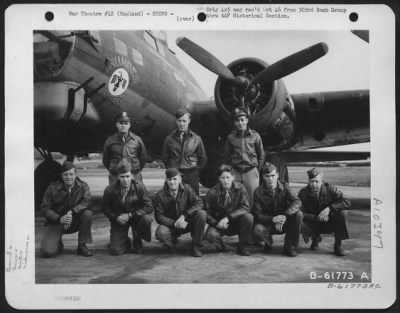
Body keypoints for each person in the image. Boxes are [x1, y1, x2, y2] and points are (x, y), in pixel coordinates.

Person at [40, 161, 93, 257]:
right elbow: (44, 207)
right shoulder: (52, 188)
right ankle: (58, 243)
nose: (69, 177)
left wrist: (72, 212)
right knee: (47, 252)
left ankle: (82, 245)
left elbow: (87, 202)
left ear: (76, 174)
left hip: (74, 220)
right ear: (61, 175)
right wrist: (59, 218)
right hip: (56, 222)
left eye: (71, 174)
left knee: (87, 214)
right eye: (65, 174)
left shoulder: (83, 186)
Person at [102, 159, 153, 255]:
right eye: (122, 177)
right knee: (115, 251)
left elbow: (149, 207)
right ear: (117, 177)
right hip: (119, 220)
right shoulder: (109, 190)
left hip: (136, 218)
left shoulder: (139, 187)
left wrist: (130, 215)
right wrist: (115, 217)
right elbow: (105, 208)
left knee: (146, 219)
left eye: (127, 176)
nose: (125, 180)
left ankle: (138, 238)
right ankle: (125, 239)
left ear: (132, 176)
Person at [252, 162, 303, 257]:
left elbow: (297, 201)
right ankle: (268, 242)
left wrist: (285, 215)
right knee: (257, 229)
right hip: (269, 223)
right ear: (263, 177)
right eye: (267, 176)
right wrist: (273, 219)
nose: (270, 179)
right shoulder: (258, 192)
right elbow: (258, 216)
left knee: (298, 214)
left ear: (277, 175)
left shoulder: (285, 186)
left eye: (273, 175)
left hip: (284, 221)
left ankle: (290, 247)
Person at [154, 168, 206, 257]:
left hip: (187, 223)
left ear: (180, 179)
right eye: (169, 179)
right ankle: (171, 241)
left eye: (175, 179)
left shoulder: (187, 189)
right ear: (166, 180)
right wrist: (175, 223)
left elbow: (199, 203)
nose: (172, 182)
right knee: (161, 233)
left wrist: (184, 216)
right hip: (171, 225)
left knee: (201, 214)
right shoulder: (159, 195)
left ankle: (196, 246)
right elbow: (159, 217)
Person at [298, 168, 350, 256]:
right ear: (308, 181)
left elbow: (346, 202)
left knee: (342, 213)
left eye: (317, 181)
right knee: (297, 217)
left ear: (321, 181)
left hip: (328, 222)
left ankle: (338, 245)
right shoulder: (303, 193)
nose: (314, 184)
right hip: (313, 222)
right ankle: (315, 238)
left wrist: (329, 209)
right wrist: (315, 218)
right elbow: (299, 211)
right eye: (311, 181)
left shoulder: (331, 189)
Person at [204, 164, 254, 256]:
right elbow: (207, 213)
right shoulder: (212, 192)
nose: (226, 180)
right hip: (220, 224)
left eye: (228, 177)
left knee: (248, 218)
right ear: (219, 178)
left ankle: (242, 246)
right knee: (210, 235)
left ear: (233, 177)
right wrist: (216, 223)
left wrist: (228, 218)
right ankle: (222, 247)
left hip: (236, 222)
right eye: (223, 178)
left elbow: (245, 207)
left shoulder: (240, 188)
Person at [224, 107, 264, 206]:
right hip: (236, 171)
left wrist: (257, 169)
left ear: (247, 120)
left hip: (251, 170)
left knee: (252, 199)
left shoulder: (255, 136)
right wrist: (231, 170)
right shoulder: (231, 137)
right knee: (235, 199)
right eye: (237, 120)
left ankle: (252, 220)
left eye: (242, 120)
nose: (240, 123)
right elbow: (227, 155)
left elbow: (261, 154)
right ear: (234, 122)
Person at [161, 108, 208, 195]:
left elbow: (203, 158)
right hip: (175, 173)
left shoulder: (196, 138)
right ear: (176, 121)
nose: (181, 123)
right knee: (173, 198)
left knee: (193, 198)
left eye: (184, 121)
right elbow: (165, 157)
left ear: (189, 121)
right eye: (179, 121)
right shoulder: (169, 139)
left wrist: (195, 172)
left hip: (191, 174)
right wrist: (172, 168)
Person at [103, 111, 148, 185]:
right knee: (114, 195)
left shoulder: (137, 140)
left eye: (126, 123)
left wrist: (135, 170)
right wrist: (114, 171)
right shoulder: (110, 141)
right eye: (121, 123)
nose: (123, 126)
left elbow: (143, 158)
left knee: (136, 195)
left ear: (129, 125)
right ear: (117, 124)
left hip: (134, 175)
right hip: (115, 176)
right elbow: (106, 159)